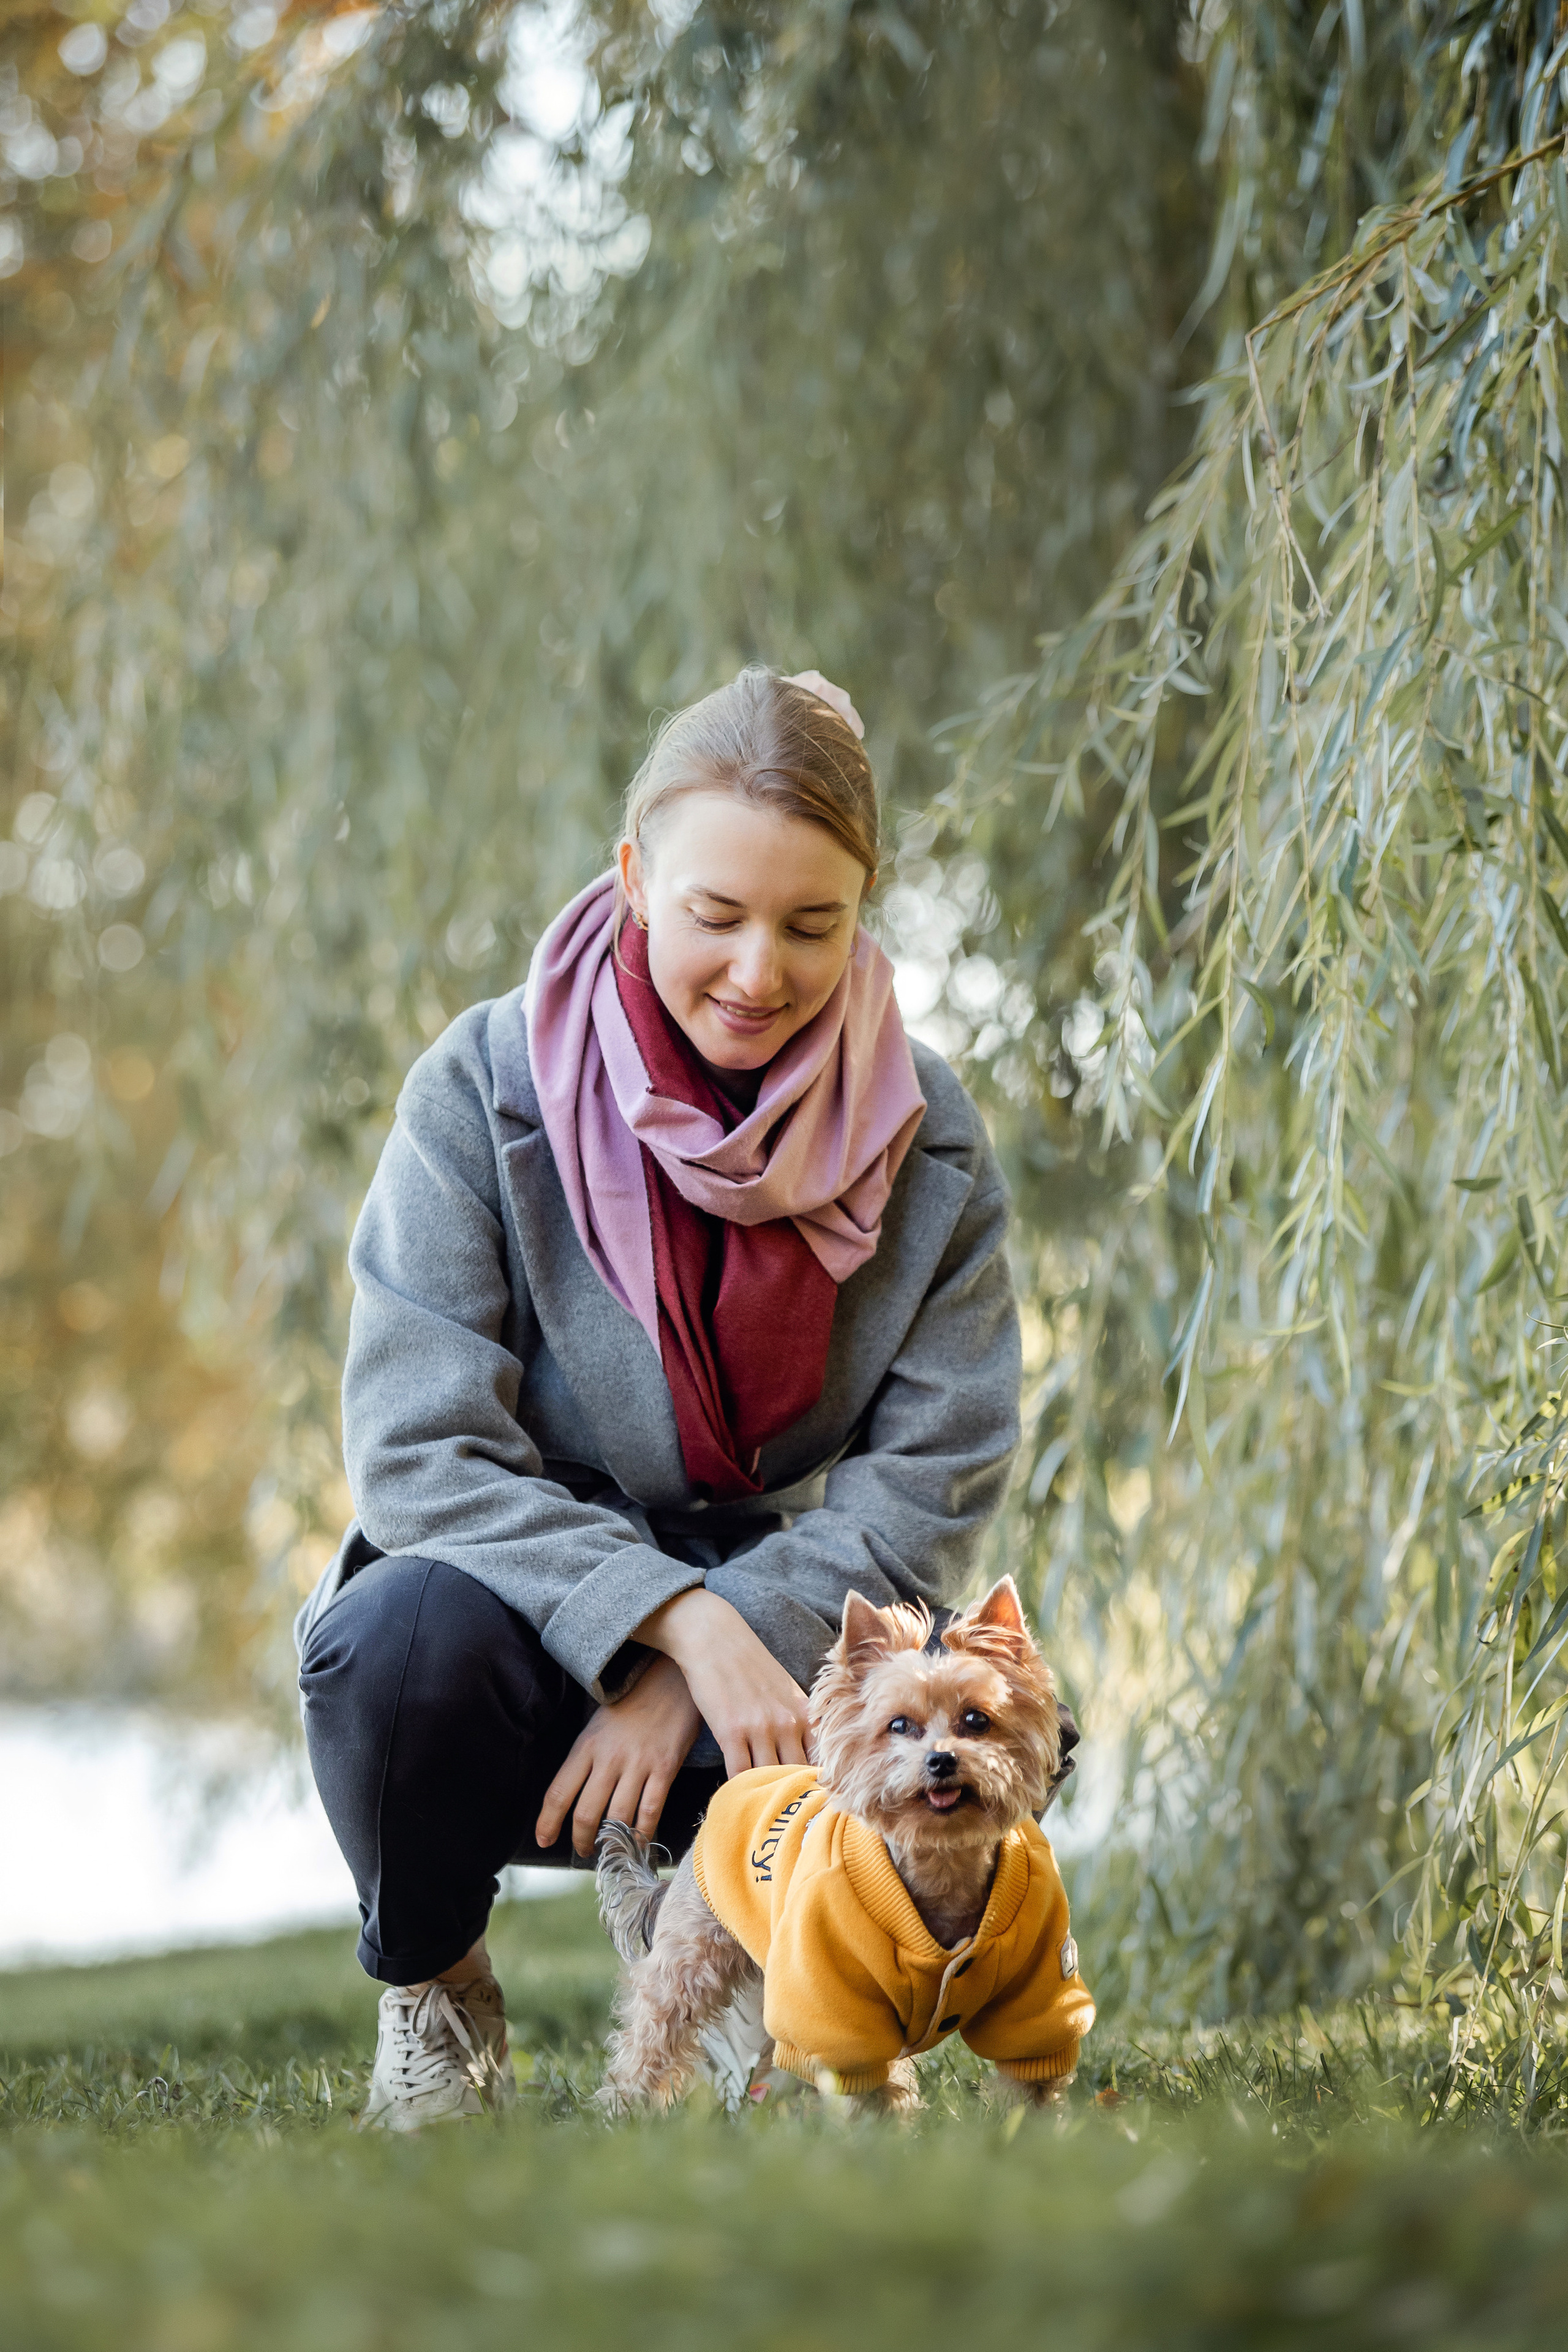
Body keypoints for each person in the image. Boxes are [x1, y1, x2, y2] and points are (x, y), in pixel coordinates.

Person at [296, 665, 1029, 2130]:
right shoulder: (480, 1089)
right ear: (634, 879)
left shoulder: (927, 1141)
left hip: (776, 1618)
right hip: (517, 1613)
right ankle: (438, 1987)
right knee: (388, 1649)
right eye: (715, 916)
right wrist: (662, 1626)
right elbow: (417, 1445)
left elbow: (930, 1481)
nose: (759, 971)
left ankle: (763, 1958)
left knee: (985, 1710)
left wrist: (717, 1643)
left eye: (811, 926)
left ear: (861, 910)